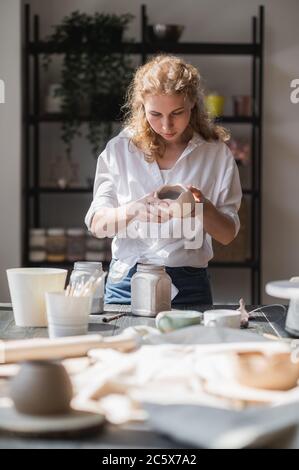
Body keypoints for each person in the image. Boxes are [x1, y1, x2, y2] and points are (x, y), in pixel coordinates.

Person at [85, 55, 242, 306]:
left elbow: (227, 235)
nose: (167, 125)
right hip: (127, 282)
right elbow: (97, 224)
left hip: (189, 284)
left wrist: (200, 208)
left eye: (177, 113)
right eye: (155, 114)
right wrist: (134, 210)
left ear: (192, 104)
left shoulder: (215, 153)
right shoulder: (120, 151)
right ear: (142, 108)